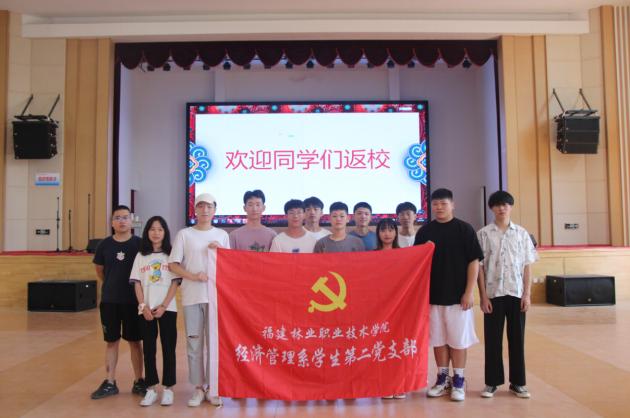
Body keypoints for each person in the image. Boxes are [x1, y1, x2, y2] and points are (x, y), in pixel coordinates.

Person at [414, 188, 483, 402]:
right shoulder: (425, 232)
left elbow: (474, 262)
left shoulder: (465, 229)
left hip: (458, 298)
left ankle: (459, 380)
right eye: (435, 204)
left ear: (453, 205)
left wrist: (469, 292)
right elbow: (416, 263)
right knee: (439, 339)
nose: (439, 207)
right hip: (433, 296)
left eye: (443, 203)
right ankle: (442, 379)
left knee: (458, 340)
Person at [169, 193, 229, 407]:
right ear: (195, 209)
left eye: (209, 206)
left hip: (215, 298)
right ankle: (198, 388)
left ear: (215, 210)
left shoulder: (222, 235)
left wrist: (220, 251)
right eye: (201, 206)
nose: (205, 210)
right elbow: (173, 264)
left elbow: (230, 266)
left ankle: (213, 387)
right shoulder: (184, 234)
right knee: (194, 344)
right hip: (192, 297)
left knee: (214, 344)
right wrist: (193, 276)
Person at [477, 191, 538, 399]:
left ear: (511, 207)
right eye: (497, 205)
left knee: (517, 340)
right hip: (493, 295)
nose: (501, 208)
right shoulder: (483, 234)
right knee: (492, 340)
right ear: (491, 208)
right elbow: (479, 268)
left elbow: (527, 265)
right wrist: (483, 296)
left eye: (505, 204)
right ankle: (492, 382)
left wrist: (527, 294)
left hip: (516, 294)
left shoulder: (521, 233)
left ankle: (518, 383)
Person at [91, 205, 146, 399]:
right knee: (111, 342)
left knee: (135, 342)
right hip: (110, 301)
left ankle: (139, 381)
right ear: (112, 222)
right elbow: (100, 271)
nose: (122, 221)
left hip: (133, 302)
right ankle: (110, 382)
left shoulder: (140, 244)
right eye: (117, 218)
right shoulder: (104, 245)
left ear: (131, 221)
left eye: (125, 217)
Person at [130, 216, 181, 407]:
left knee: (169, 348)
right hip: (146, 310)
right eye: (152, 229)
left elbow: (175, 283)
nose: (156, 233)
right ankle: (150, 388)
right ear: (147, 232)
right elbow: (136, 283)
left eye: (160, 229)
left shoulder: (172, 255)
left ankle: (168, 388)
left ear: (165, 232)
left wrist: (164, 306)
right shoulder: (140, 256)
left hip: (167, 309)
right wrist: (143, 307)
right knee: (149, 350)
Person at [373, 218, 406, 400]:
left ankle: (399, 384)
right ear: (378, 233)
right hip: (378, 308)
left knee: (398, 347)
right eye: (383, 230)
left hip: (400, 308)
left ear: (396, 232)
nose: (387, 234)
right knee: (381, 347)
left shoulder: (405, 254)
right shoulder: (371, 255)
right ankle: (384, 385)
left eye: (391, 229)